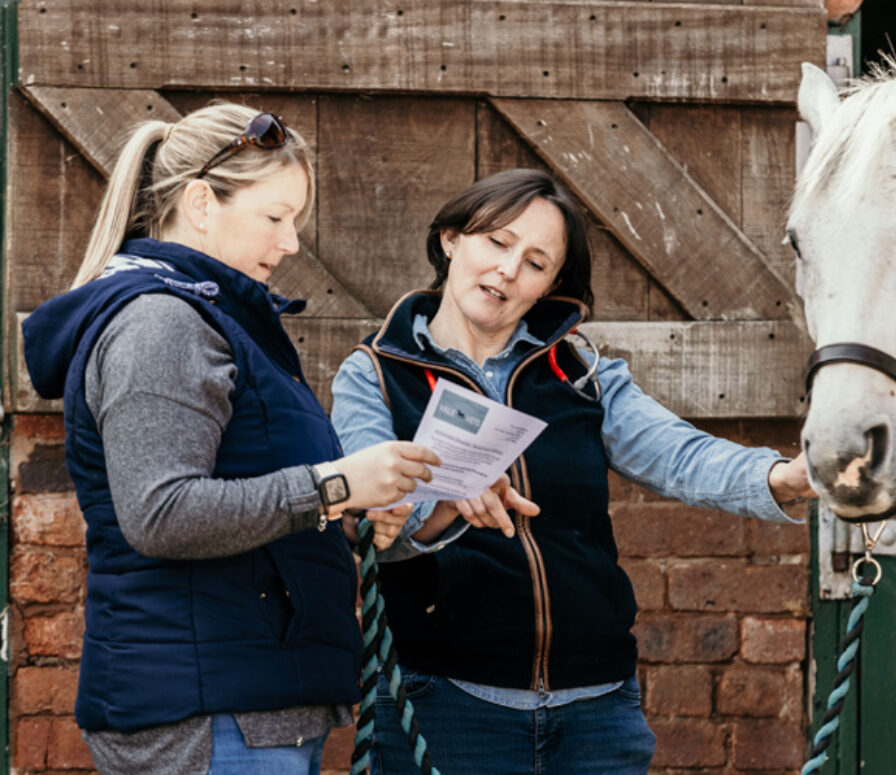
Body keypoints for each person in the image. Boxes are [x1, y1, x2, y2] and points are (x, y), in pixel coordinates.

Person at [20, 103, 495, 774]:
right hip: (208, 713)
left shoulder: (217, 318)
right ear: (200, 203)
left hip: (243, 701)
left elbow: (256, 496)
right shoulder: (161, 324)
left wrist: (353, 506)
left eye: (294, 221)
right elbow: (160, 513)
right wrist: (338, 483)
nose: (292, 242)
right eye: (275, 217)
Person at [330, 167, 816, 774]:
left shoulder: (581, 371)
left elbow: (678, 454)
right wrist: (448, 504)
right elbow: (374, 529)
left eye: (536, 262)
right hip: (443, 703)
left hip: (597, 711)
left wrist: (786, 478)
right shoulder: (373, 373)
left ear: (552, 283)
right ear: (452, 239)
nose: (509, 270)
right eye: (497, 242)